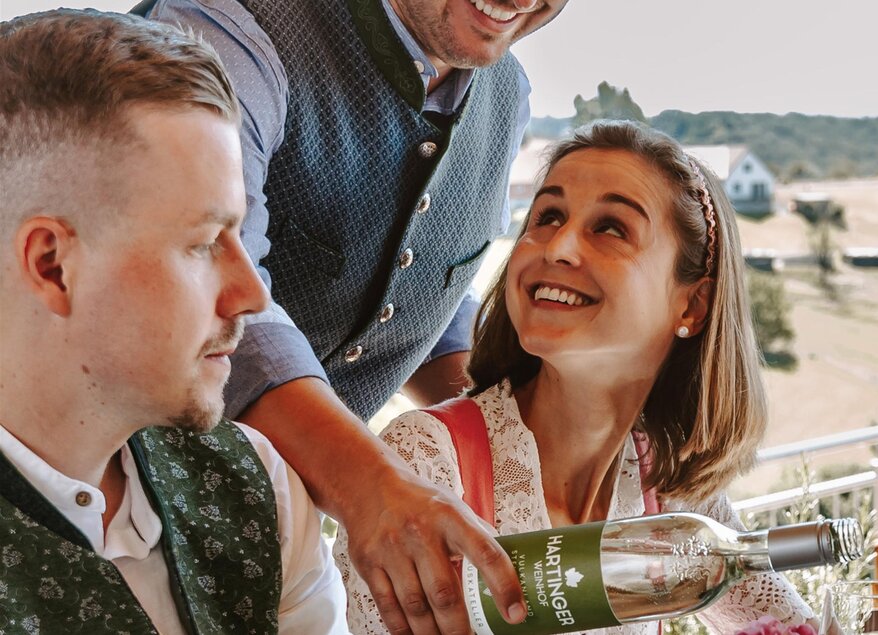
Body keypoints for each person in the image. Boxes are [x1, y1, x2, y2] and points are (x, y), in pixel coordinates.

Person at [138, 0, 568, 629]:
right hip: (110, 506)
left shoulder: (509, 97)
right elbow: (202, 280)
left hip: (287, 544)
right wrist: (372, 487)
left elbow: (431, 305)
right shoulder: (223, 28)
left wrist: (527, 451)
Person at [335, 120, 819, 633]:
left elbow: (794, 624)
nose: (558, 246)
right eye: (546, 216)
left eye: (610, 227)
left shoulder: (664, 484)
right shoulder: (426, 461)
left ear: (693, 304)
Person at [0, 10, 347, 633]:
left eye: (239, 233)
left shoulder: (259, 486)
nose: (251, 296)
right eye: (204, 242)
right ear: (53, 265)